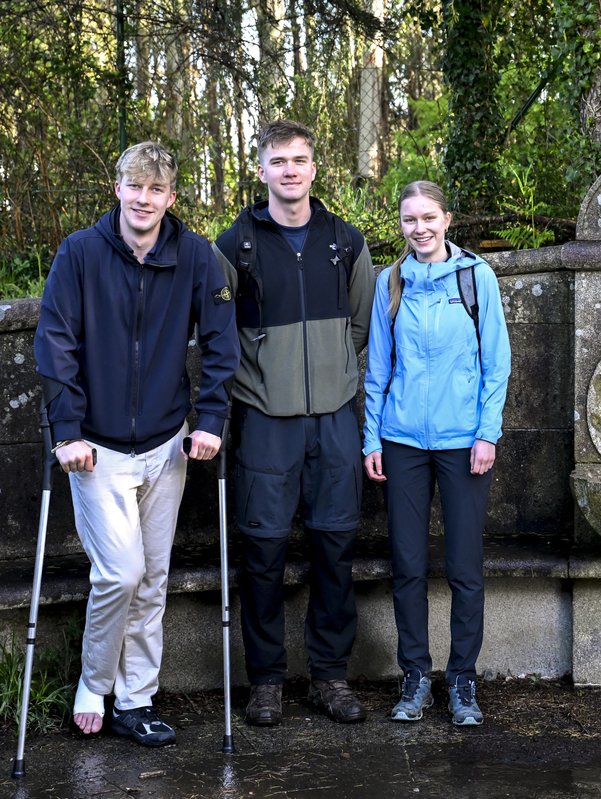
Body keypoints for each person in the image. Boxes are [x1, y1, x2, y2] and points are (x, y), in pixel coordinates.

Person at [34, 141, 238, 746]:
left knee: (152, 579)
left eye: (156, 189)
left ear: (170, 197)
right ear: (118, 188)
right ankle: (94, 682)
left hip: (167, 444)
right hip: (95, 449)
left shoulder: (195, 255)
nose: (144, 199)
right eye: (135, 186)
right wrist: (66, 431)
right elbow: (55, 342)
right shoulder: (79, 252)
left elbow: (222, 342)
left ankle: (136, 699)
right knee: (121, 573)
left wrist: (210, 419)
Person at [213, 120, 375, 726]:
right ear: (261, 170)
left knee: (335, 549)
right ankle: (266, 682)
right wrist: (261, 387)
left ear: (314, 168)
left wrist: (332, 377)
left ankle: (329, 677)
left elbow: (361, 326)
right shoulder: (234, 246)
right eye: (278, 161)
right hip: (264, 422)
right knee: (262, 554)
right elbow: (217, 336)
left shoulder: (345, 241)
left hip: (334, 421)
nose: (289, 170)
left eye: (299, 160)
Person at [362, 180, 511, 726]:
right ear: (401, 225)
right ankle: (416, 676)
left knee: (464, 567)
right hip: (402, 442)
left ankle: (462, 679)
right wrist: (372, 438)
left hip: (463, 443)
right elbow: (378, 369)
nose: (419, 228)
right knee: (407, 565)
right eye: (409, 220)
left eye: (429, 218)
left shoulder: (476, 277)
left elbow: (497, 363)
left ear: (447, 219)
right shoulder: (390, 281)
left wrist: (487, 433)